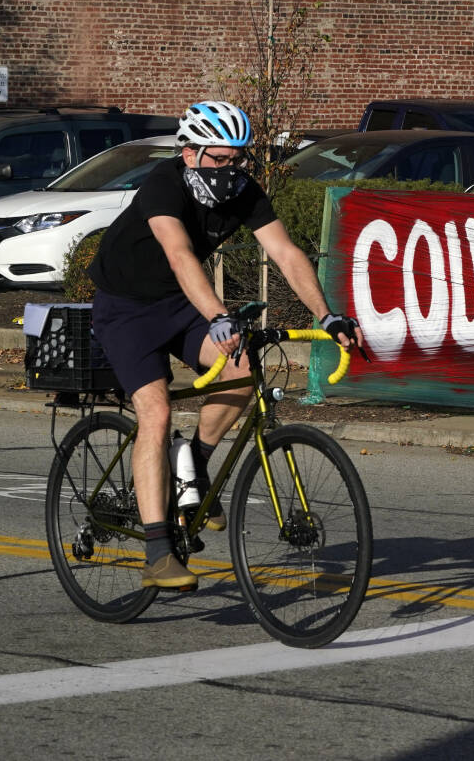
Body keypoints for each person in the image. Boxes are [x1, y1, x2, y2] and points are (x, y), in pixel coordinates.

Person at [88, 100, 363, 589]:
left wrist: (328, 315)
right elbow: (178, 255)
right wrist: (217, 313)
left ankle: (191, 465)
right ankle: (157, 552)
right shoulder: (163, 186)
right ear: (190, 153)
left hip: (182, 305)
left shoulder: (241, 190)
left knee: (241, 370)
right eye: (221, 159)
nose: (232, 169)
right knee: (156, 411)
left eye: (240, 159)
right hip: (127, 308)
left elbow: (285, 252)